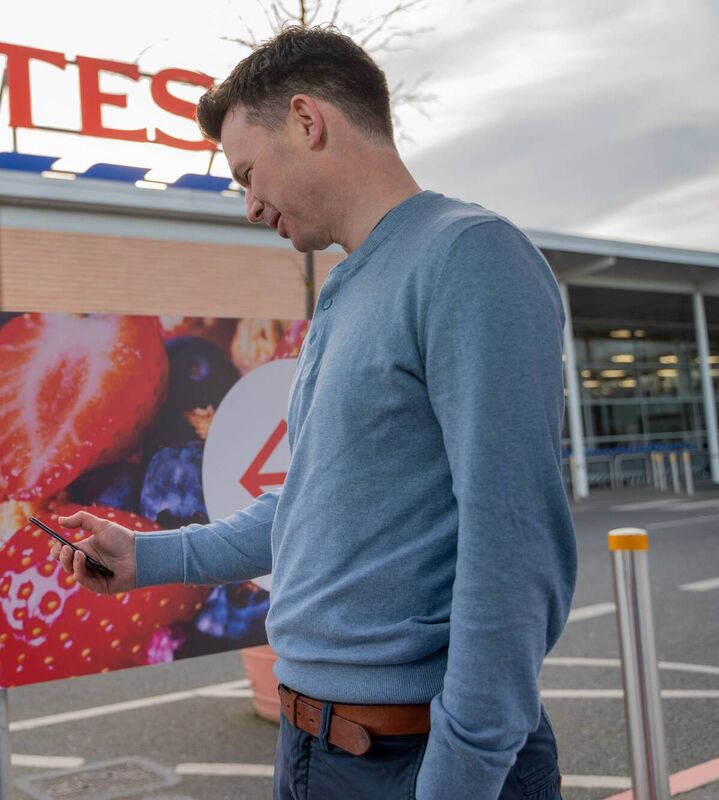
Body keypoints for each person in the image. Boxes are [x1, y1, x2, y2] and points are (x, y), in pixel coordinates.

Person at [51, 25, 575, 800]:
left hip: (415, 760)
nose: (250, 204)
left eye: (247, 173)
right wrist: (147, 557)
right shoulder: (345, 287)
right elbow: (313, 502)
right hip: (314, 751)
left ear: (307, 120)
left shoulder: (469, 256)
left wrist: (459, 778)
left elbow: (514, 545)